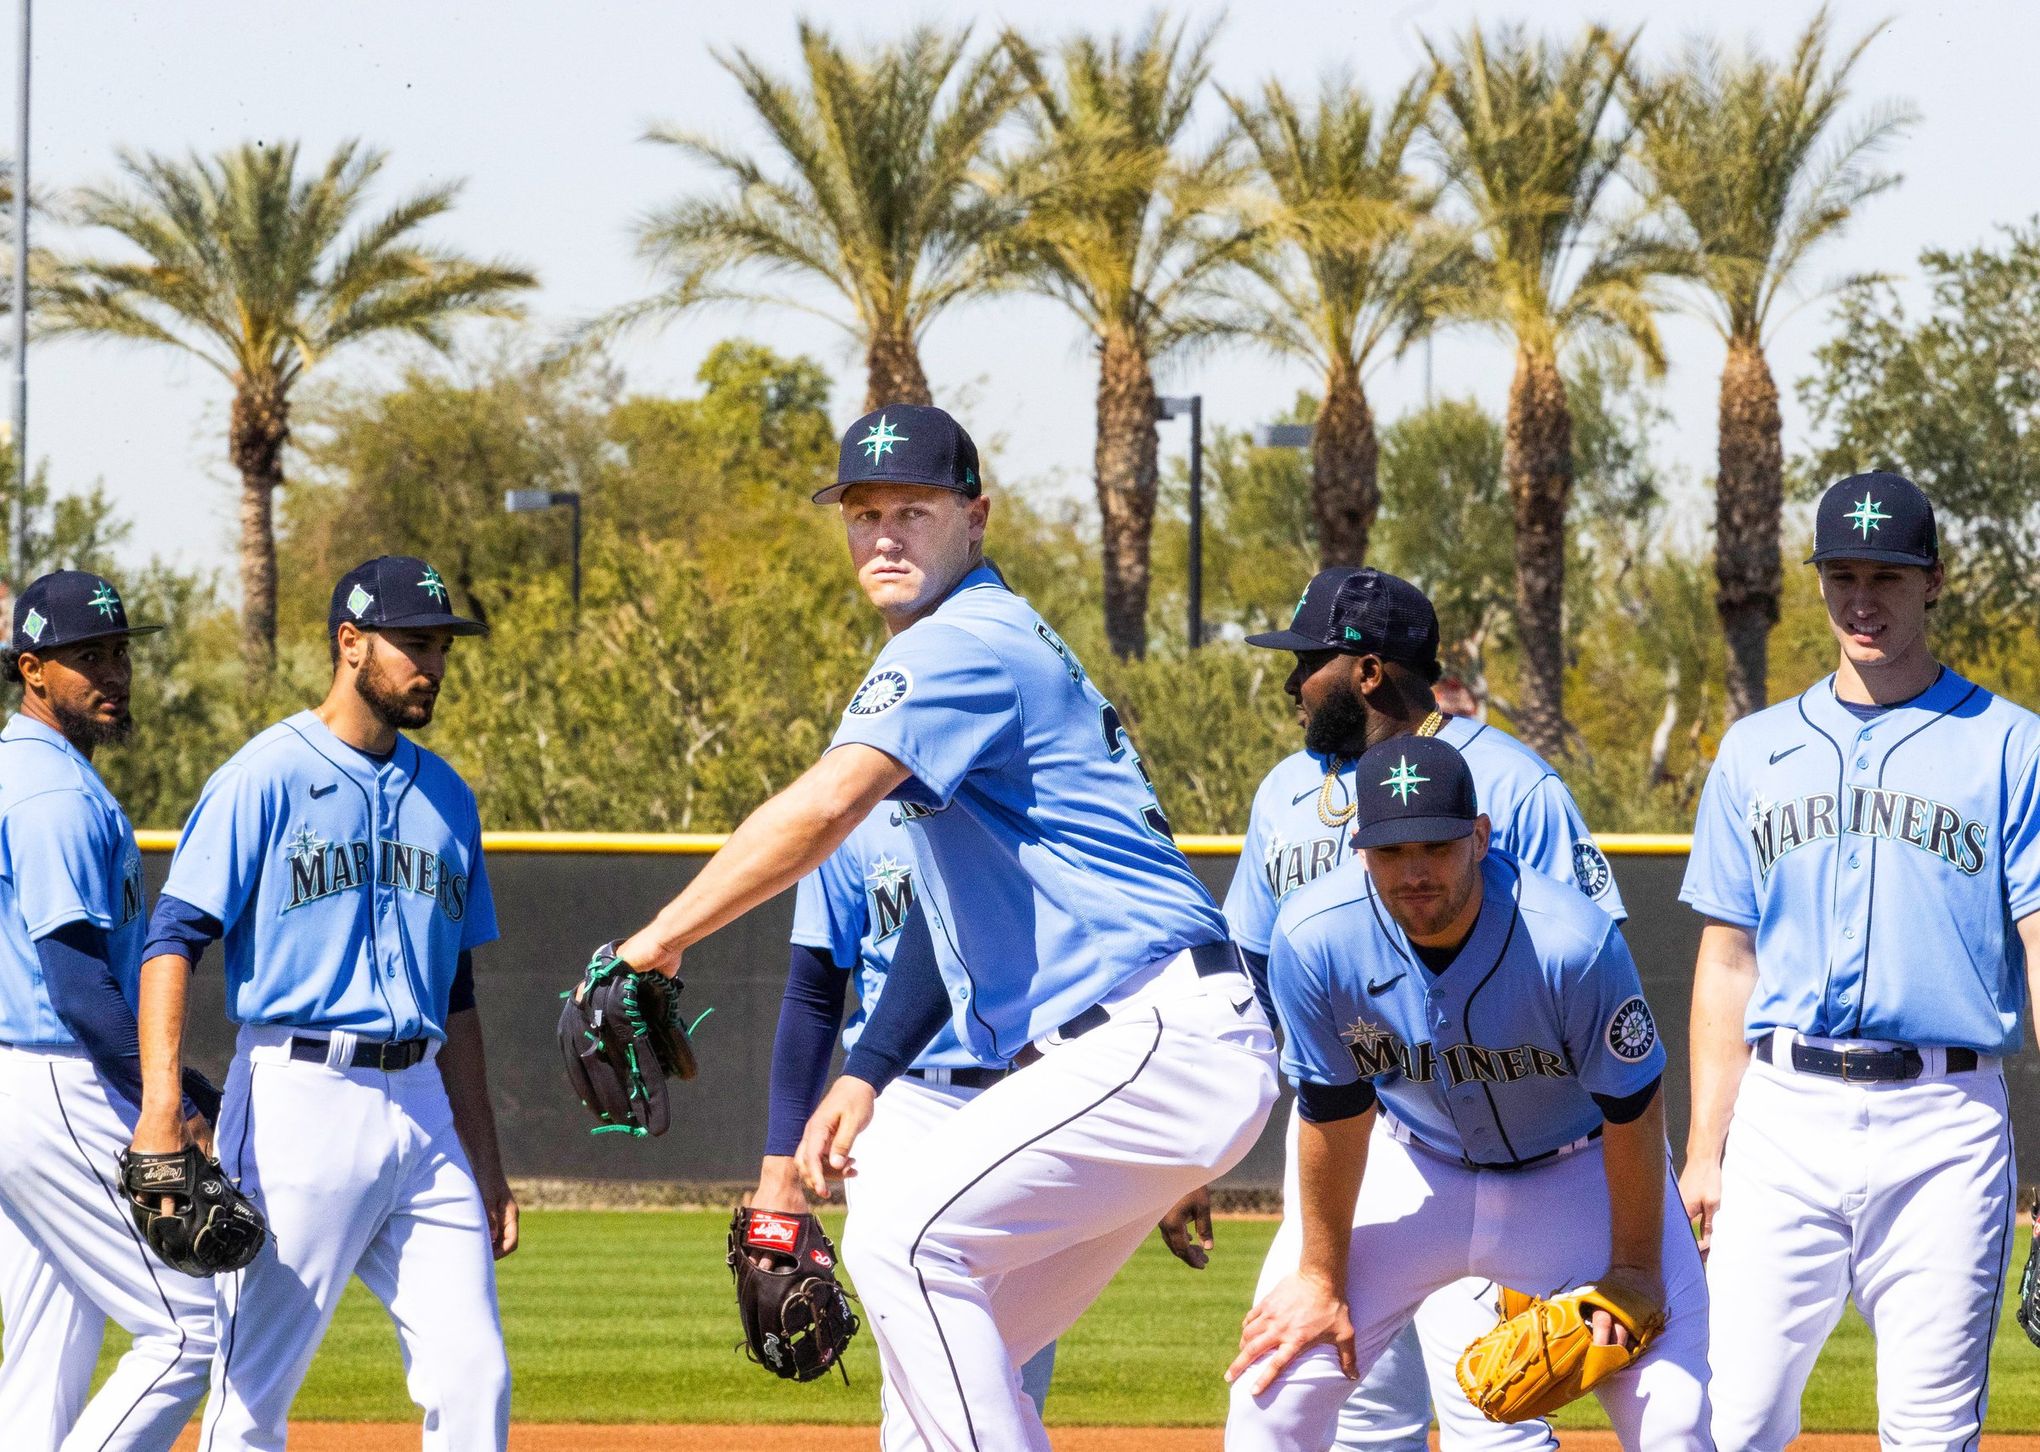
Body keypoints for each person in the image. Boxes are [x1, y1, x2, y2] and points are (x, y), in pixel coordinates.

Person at [611, 403, 1278, 1452]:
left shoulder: (959, 644)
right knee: (935, 1395)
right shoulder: (987, 641)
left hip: (1150, 1036)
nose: (883, 535)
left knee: (904, 1245)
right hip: (1154, 1042)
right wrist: (868, 1067)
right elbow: (938, 918)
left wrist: (658, 939)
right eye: (863, 511)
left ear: (975, 517)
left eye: (912, 510)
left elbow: (827, 809)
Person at [1180, 565, 1626, 1450]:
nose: (1289, 681)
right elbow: (1256, 993)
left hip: (1514, 1148)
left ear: (1369, 671)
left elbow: (1593, 973)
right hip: (1372, 1146)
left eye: (1307, 660)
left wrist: (1542, 1219)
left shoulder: (1515, 785)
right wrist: (1202, 1150)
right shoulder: (1284, 792)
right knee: (1330, 1394)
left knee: (1490, 1413)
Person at [1679, 471, 2038, 1450]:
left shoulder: (2011, 746)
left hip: (1945, 1122)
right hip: (1782, 1119)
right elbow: (1727, 958)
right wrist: (1706, 1144)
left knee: (1927, 1430)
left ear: (1934, 581)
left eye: (1889, 574)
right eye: (1843, 574)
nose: (1864, 599)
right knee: (1738, 1414)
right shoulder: (1755, 750)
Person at [127, 556, 518, 1450]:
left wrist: (485, 1159)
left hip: (423, 1111)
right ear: (350, 644)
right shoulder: (263, 774)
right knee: (254, 1393)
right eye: (413, 643)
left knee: (475, 1374)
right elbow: (172, 940)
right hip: (300, 1096)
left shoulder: (449, 797)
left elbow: (457, 997)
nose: (433, 664)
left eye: (442, 645)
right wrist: (161, 1108)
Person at [1226, 735, 1712, 1451]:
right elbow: (1333, 1111)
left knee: (1675, 1416)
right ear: (1359, 850)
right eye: (1391, 851)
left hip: (1576, 1179)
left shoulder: (1569, 943)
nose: (1414, 870)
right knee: (1273, 1387)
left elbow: (1632, 1108)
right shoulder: (1314, 938)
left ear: (1480, 838)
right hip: (1412, 1164)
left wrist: (1635, 1271)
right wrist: (1319, 1277)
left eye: (1437, 845)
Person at [752, 803, 1057, 1440]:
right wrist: (779, 1172)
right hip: (900, 1102)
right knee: (920, 1365)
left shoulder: (1018, 794)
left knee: (1017, 1359)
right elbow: (814, 991)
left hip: (1032, 1091)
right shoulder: (853, 812)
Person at [0, 570, 218, 1450]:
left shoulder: (36, 769)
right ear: (33, 670)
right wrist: (177, 1101)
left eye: (120, 652)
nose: (114, 672)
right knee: (189, 1328)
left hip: (32, 1081)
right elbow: (79, 987)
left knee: (50, 1342)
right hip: (57, 1076)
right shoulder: (50, 793)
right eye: (87, 656)